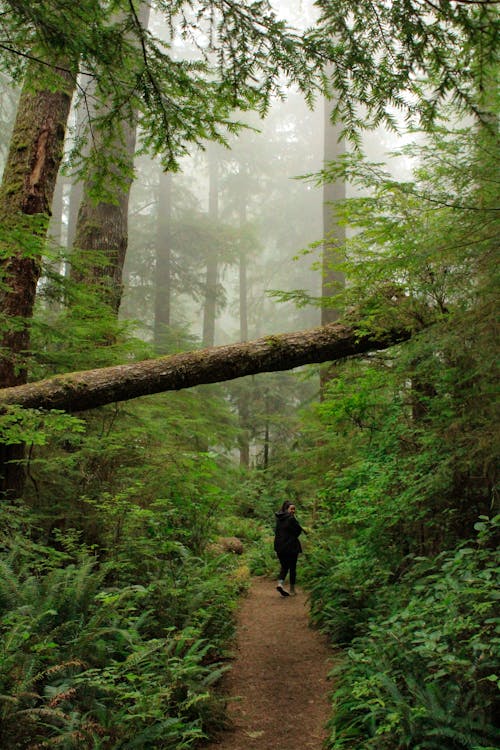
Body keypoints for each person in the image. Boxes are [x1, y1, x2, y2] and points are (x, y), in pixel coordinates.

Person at [273, 500, 304, 597]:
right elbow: (298, 531)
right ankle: (292, 589)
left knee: (284, 566)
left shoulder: (279, 519)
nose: (293, 511)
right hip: (291, 547)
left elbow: (277, 532)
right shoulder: (291, 519)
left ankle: (280, 583)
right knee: (292, 567)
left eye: (294, 509)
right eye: (292, 509)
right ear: (286, 509)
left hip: (279, 547)